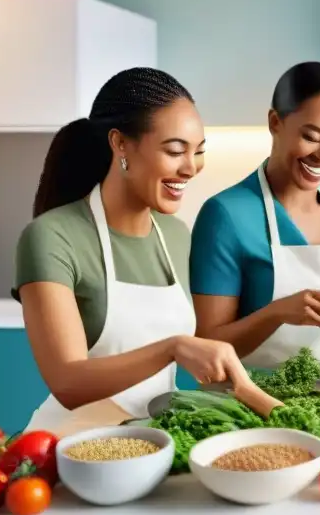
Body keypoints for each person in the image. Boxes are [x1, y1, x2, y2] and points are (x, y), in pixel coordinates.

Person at [15, 67, 250, 432]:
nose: (190, 167)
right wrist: (173, 348)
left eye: (199, 151)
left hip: (150, 447)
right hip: (67, 452)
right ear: (120, 144)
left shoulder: (176, 234)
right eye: (175, 150)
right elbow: (67, 382)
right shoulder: (51, 236)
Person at [189, 62, 320, 386]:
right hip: (256, 412)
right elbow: (208, 348)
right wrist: (277, 313)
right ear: (275, 122)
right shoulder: (225, 215)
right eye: (311, 137)